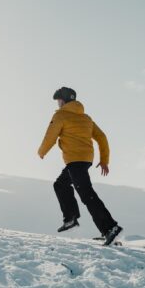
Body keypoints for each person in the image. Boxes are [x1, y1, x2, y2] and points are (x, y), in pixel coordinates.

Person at [38, 87, 123, 246]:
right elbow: (102, 137)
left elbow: (51, 134)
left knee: (87, 195)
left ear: (62, 101)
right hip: (85, 160)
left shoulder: (60, 115)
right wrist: (104, 160)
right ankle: (71, 218)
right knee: (60, 184)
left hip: (74, 161)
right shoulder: (86, 118)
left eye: (58, 101)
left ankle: (110, 228)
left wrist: (42, 151)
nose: (57, 104)